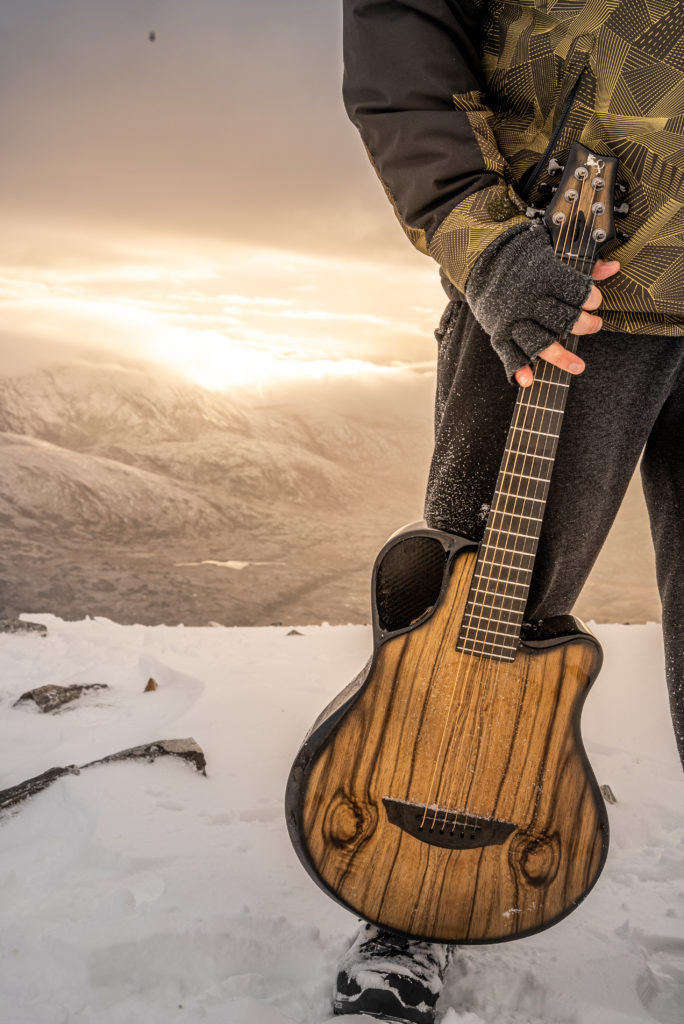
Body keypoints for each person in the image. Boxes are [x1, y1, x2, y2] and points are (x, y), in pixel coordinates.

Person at [334, 2, 684, 1021]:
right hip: (571, 264)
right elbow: (402, 21)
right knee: (478, 607)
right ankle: (407, 900)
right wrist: (481, 236)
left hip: (576, 260)